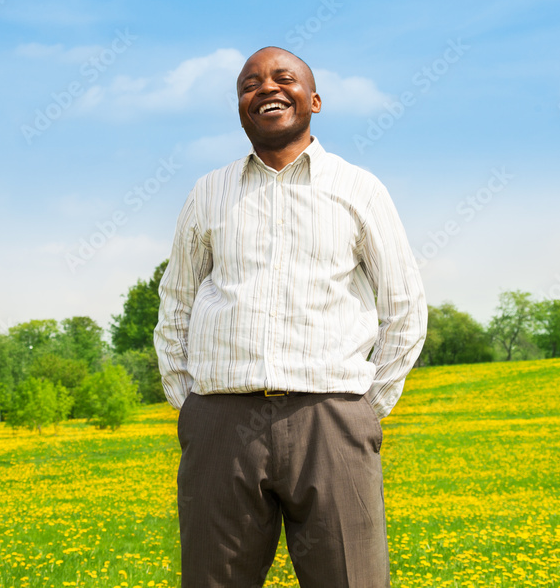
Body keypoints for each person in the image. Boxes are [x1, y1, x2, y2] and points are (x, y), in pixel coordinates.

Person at [154, 46, 427, 588]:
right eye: (250, 84)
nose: (267, 89)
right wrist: (192, 409)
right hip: (221, 423)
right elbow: (176, 304)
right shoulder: (208, 192)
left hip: (331, 420)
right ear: (240, 107)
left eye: (284, 78)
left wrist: (365, 410)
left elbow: (405, 306)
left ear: (315, 100)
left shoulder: (359, 189)